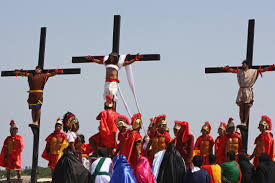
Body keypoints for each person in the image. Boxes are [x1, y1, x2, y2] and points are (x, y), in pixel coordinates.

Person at [222, 61, 274, 126]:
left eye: (244, 64)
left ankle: (245, 122)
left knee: (247, 107)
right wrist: (226, 68)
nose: (242, 65)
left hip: (247, 90)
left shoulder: (253, 71)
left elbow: (262, 70)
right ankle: (241, 121)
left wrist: (270, 68)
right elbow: (232, 70)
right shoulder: (240, 71)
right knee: (241, 107)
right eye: (242, 64)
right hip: (241, 89)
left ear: (247, 65)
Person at [53, 112, 93, 183]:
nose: (77, 127)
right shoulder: (70, 135)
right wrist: (75, 153)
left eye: (78, 125)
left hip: (74, 154)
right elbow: (72, 145)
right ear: (71, 126)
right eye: (76, 126)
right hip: (70, 156)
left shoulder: (75, 134)